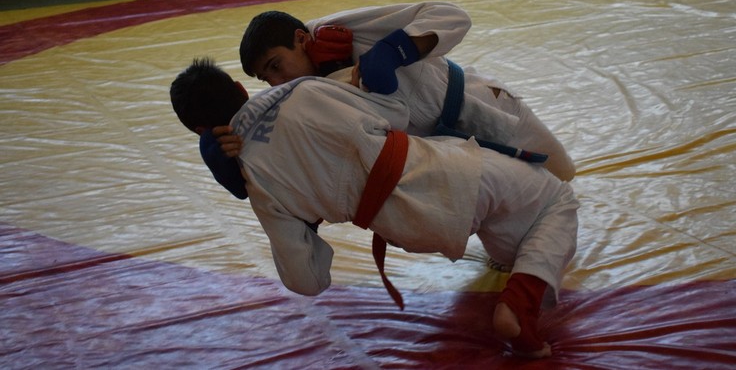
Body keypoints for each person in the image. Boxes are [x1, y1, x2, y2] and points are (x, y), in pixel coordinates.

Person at [170, 58, 580, 359]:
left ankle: (518, 276)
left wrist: (311, 216)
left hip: (405, 229)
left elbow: (306, 281)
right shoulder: (304, 90)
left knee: (518, 238)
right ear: (241, 89)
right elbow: (398, 112)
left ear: (199, 131)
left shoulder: (255, 182)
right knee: (556, 199)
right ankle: (519, 306)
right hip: (444, 173)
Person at [230, 2, 576, 184]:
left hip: (483, 107)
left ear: (301, 38)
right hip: (448, 154)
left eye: (276, 65)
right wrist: (231, 143)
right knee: (511, 227)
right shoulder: (297, 98)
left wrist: (396, 50)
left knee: (562, 175)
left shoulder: (340, 30)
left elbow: (452, 15)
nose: (277, 82)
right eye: (266, 78)